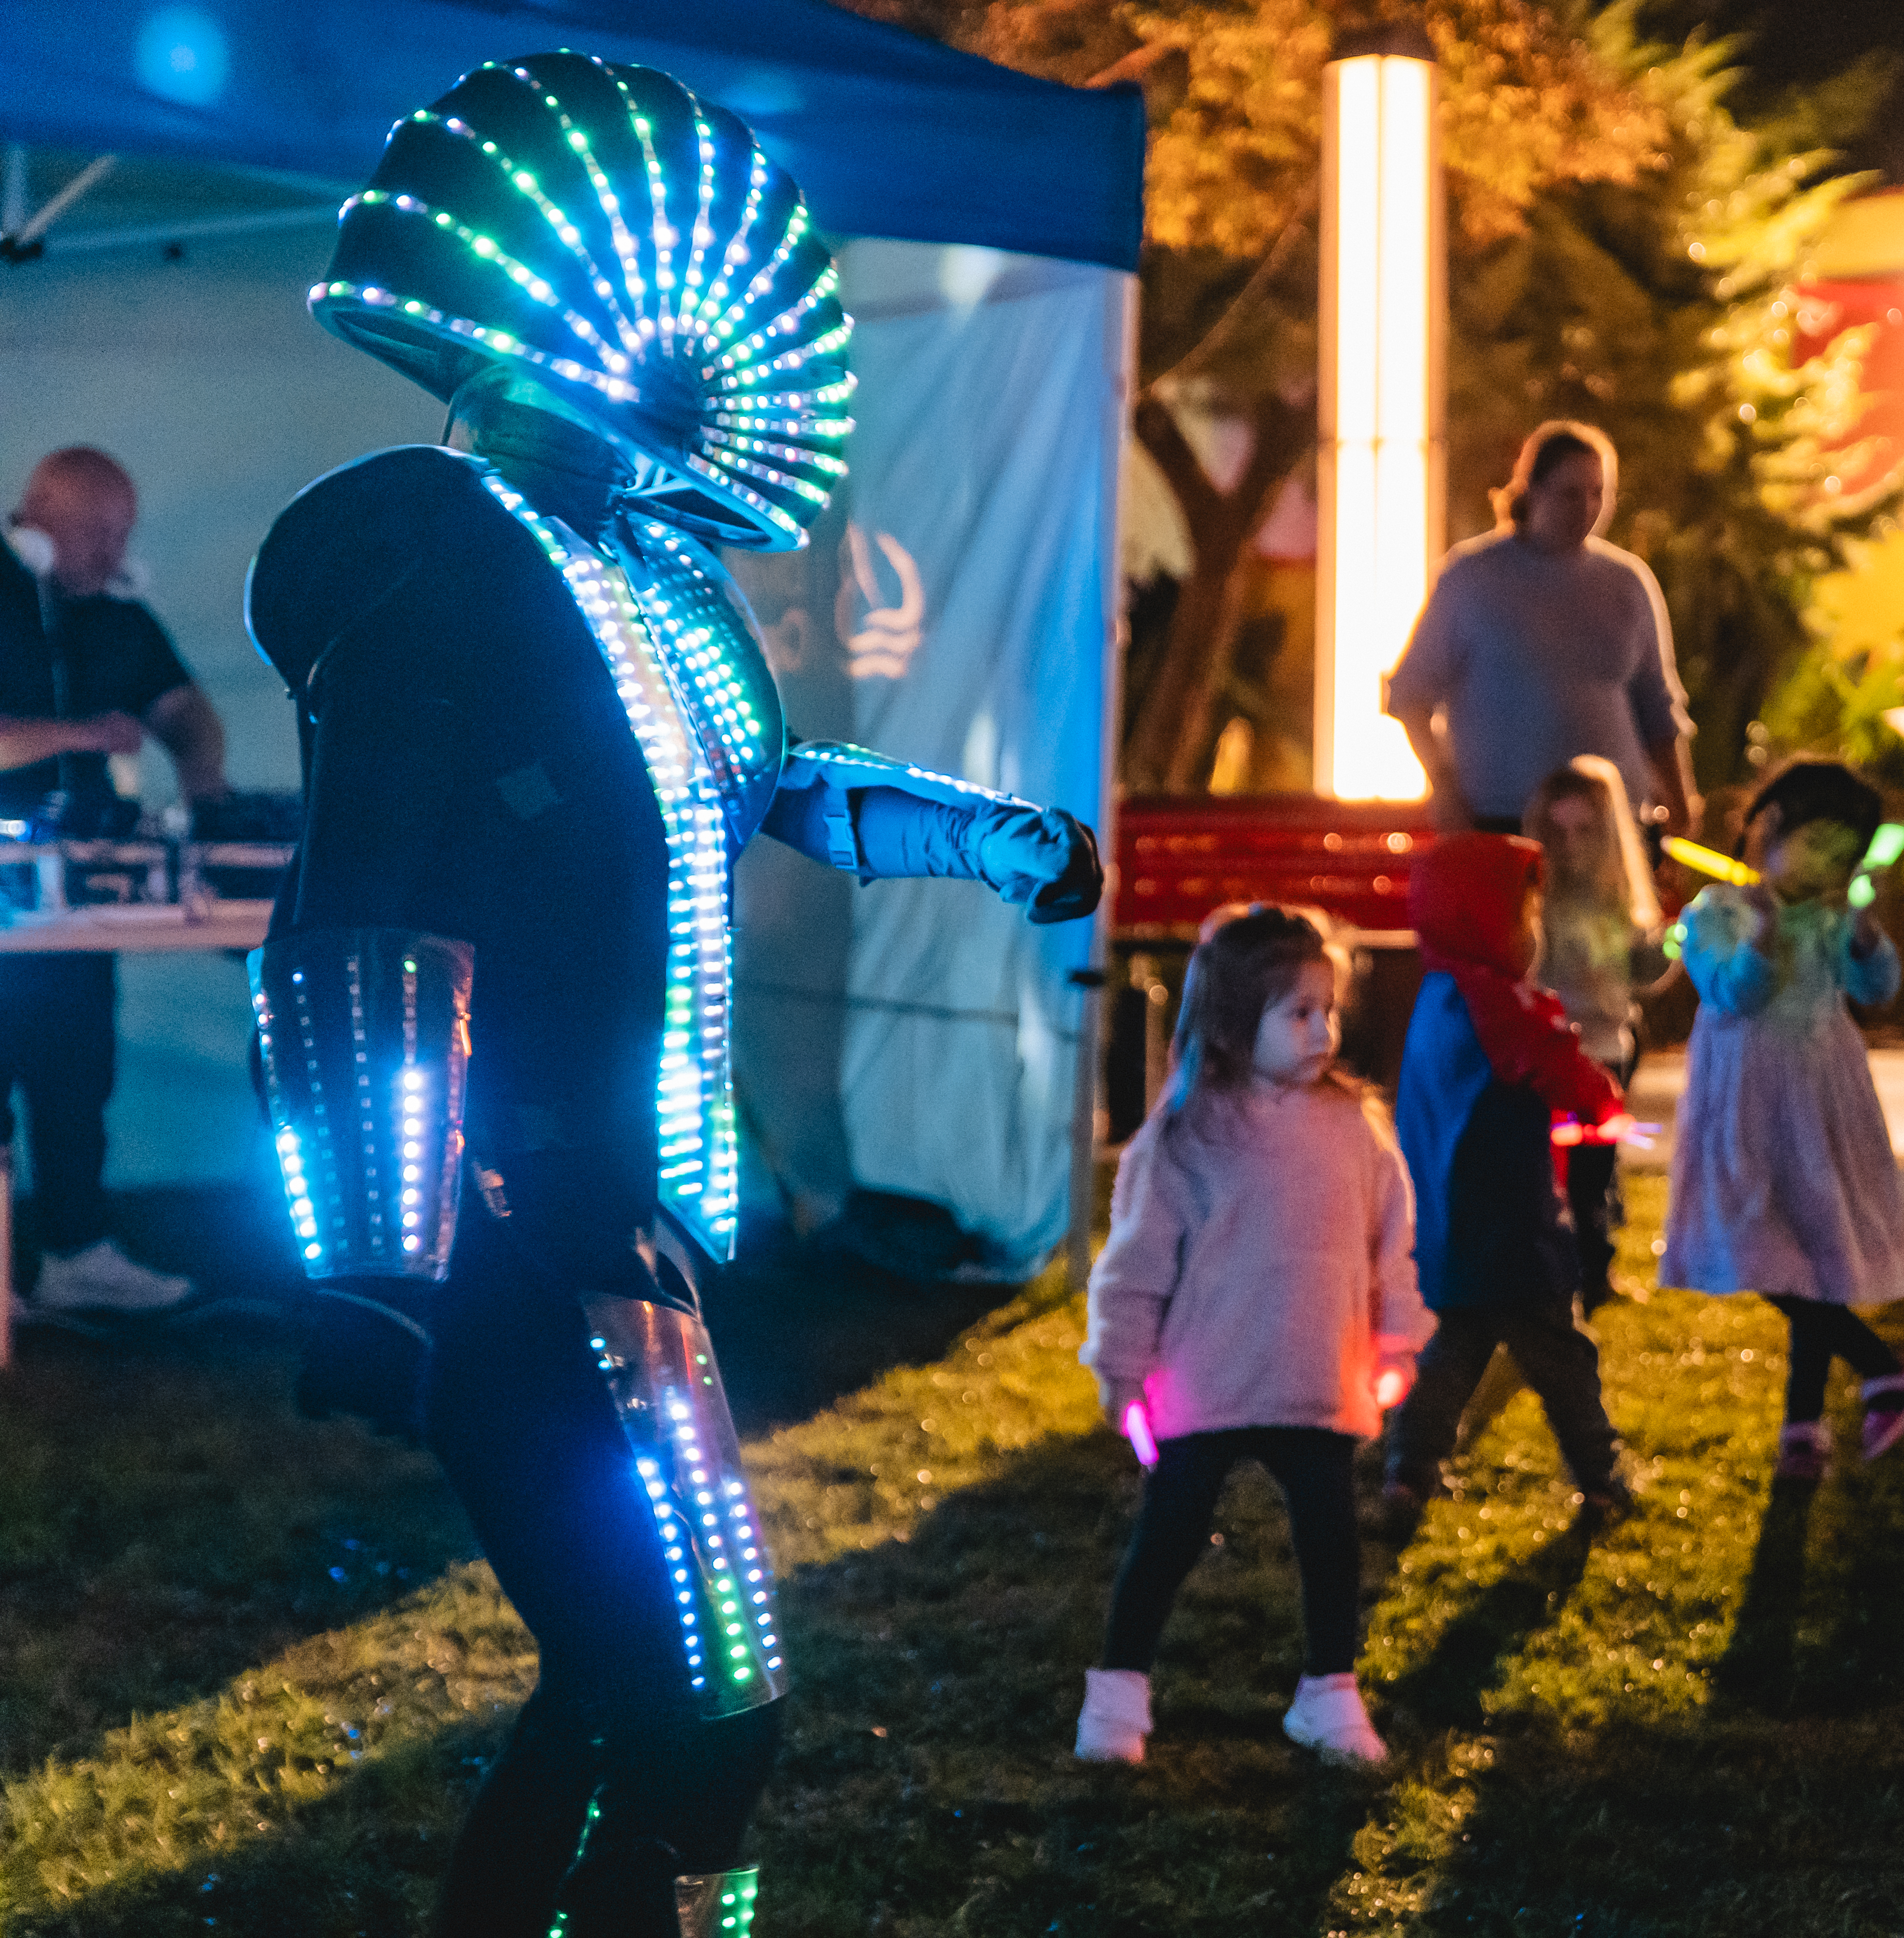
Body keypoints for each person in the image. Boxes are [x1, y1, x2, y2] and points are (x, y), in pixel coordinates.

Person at [249, 55, 1100, 1937]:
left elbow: (772, 780)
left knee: (667, 1691)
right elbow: (355, 908)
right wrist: (384, 1257)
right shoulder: (432, 558)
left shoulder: (668, 585)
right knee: (697, 1693)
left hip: (628, 1220)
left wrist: (995, 842)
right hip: (503, 1221)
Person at [1076, 907, 1428, 1768]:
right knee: (1168, 1537)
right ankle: (1117, 1698)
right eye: (1297, 1012)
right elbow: (1135, 1266)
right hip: (1207, 1382)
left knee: (1331, 1541)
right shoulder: (1184, 1140)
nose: (1322, 1030)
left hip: (1317, 1380)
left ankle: (1329, 1694)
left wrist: (1397, 1341)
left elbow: (1392, 1246)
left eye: (1328, 1010)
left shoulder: (1355, 1128)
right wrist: (1122, 1372)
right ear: (1235, 1024)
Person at [0, 446, 234, 1313]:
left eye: (122, 535)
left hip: (78, 898)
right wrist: (81, 734)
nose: (111, 551)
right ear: (40, 521)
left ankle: (77, 1252)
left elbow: (185, 710)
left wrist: (205, 788)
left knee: (75, 1069)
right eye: (97, 531)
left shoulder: (116, 620)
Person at [1660, 760, 1904, 1479]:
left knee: (1818, 1249)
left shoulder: (1832, 917)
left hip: (1820, 1097)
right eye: (1817, 846)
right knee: (1753, 1237)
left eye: (1843, 857)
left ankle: (1804, 1425)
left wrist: (1868, 934)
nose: (1827, 868)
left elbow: (1875, 987)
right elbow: (1733, 993)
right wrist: (1763, 936)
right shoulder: (1717, 913)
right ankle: (1882, 1369)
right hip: (1746, 1102)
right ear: (1770, 826)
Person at [1382, 832, 1635, 1533]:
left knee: (1450, 1355)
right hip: (1516, 1225)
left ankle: (1408, 1473)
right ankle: (1601, 1476)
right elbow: (1561, 1070)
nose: (1534, 935)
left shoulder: (1438, 993)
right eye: (1524, 918)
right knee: (1560, 1357)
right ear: (1484, 919)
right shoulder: (1500, 1003)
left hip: (1451, 1226)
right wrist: (1601, 1101)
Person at [1384, 422, 1698, 837]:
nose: (1586, 508)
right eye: (1570, 494)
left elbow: (1657, 706)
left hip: (1613, 823)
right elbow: (1410, 695)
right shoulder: (1472, 579)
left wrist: (1680, 799)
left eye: (1597, 493)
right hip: (1501, 817)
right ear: (1532, 491)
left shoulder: (1627, 582)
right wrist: (1444, 786)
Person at [1526, 756, 1670, 1310]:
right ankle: (1569, 1276)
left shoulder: (1618, 900)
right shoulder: (1538, 903)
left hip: (1610, 1047)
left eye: (1584, 830)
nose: (1571, 845)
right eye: (1557, 832)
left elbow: (1644, 973)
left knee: (1597, 1171)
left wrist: (1674, 945)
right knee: (1563, 1174)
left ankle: (1594, 1275)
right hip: (1560, 1052)